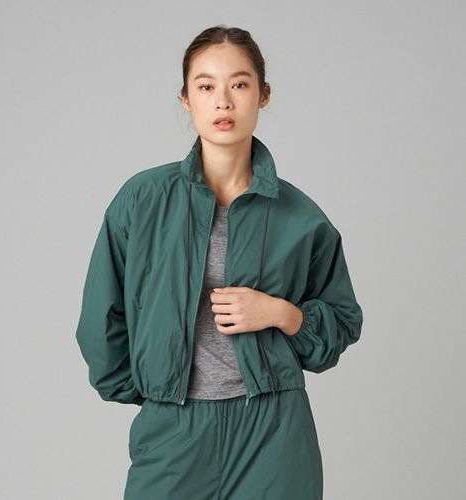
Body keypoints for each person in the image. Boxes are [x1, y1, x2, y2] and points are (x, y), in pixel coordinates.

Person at [75, 25, 363, 500]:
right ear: (186, 99)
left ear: (263, 95)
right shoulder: (143, 201)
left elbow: (342, 322)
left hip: (273, 432)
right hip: (174, 431)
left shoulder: (300, 216)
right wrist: (157, 394)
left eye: (239, 84)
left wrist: (281, 313)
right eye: (206, 86)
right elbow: (101, 316)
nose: (223, 101)